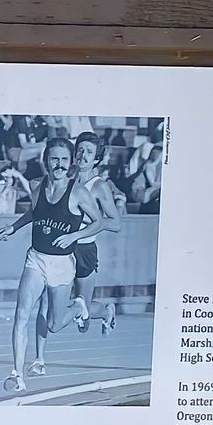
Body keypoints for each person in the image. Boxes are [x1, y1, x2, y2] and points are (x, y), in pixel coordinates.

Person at [0, 137, 81, 392]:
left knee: (54, 324)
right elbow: (35, 211)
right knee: (22, 314)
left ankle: (77, 307)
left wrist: (74, 236)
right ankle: (17, 375)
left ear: (71, 162)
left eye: (64, 160)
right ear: (46, 161)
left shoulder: (78, 192)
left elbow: (99, 220)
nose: (59, 165)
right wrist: (13, 227)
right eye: (55, 159)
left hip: (63, 263)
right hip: (37, 258)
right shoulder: (36, 186)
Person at [66, 133, 122, 335]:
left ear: (96, 159)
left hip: (84, 249)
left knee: (84, 310)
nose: (83, 155)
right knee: (58, 303)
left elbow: (116, 224)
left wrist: (93, 223)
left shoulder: (99, 186)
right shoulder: (65, 179)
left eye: (89, 152)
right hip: (62, 247)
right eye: (80, 150)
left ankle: (106, 311)